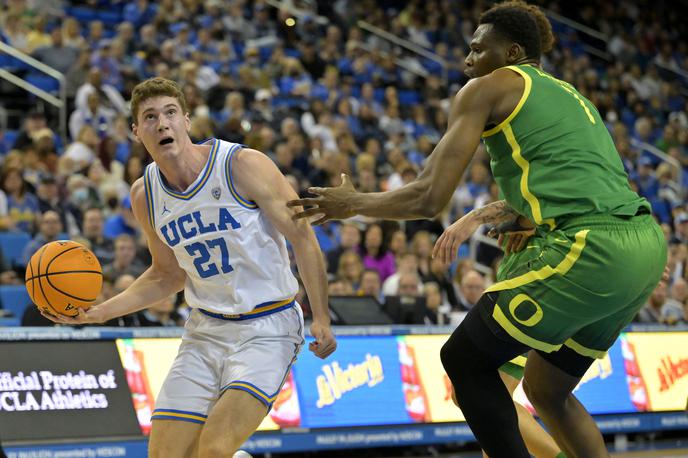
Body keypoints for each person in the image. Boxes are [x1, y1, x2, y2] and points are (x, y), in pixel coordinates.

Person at [288, 2, 666, 456]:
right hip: (642, 247)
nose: (467, 60)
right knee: (547, 392)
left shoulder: (487, 87)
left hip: (589, 248)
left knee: (463, 362)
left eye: (476, 49)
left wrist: (354, 203)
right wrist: (520, 215)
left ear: (510, 52)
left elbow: (429, 197)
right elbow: (584, 181)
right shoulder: (571, 96)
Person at [42, 77, 336, 458]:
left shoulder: (242, 165)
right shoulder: (144, 194)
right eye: (149, 117)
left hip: (268, 327)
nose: (162, 123)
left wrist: (322, 318)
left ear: (186, 121)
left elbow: (303, 238)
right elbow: (167, 274)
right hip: (206, 329)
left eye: (169, 113)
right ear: (136, 131)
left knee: (212, 451)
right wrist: (99, 312)